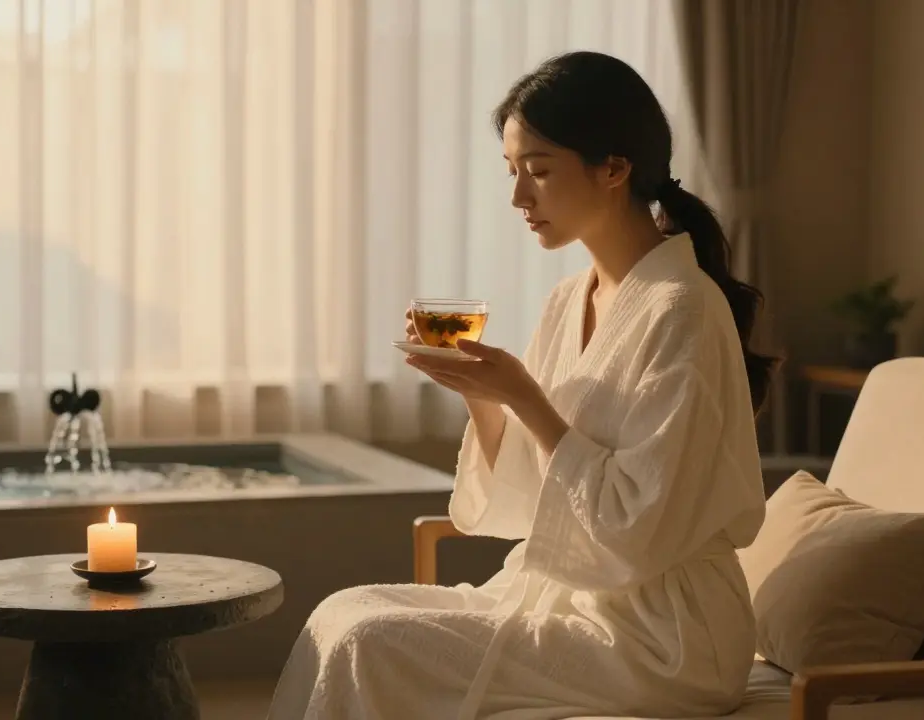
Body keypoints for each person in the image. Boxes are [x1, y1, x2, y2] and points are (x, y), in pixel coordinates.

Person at [267, 50, 778, 720]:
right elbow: (537, 493)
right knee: (342, 611)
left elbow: (639, 529)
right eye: (512, 172)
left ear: (615, 169)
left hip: (662, 634)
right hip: (570, 598)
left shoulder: (683, 309)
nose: (518, 198)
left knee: (370, 642)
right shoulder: (570, 299)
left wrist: (525, 397)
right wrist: (484, 395)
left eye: (538, 172)